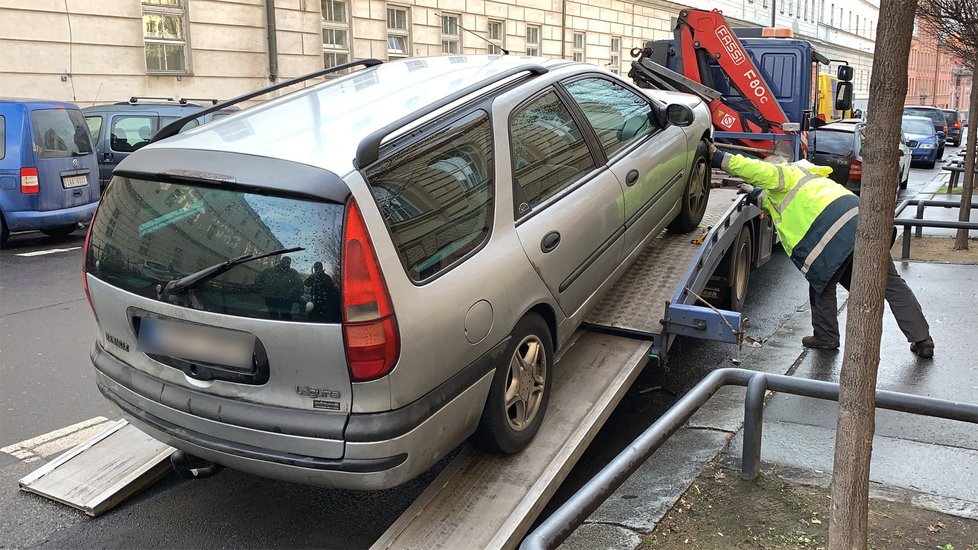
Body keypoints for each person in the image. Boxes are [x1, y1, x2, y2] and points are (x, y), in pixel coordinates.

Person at [709, 143, 935, 358]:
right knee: (893, 286)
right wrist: (754, 194)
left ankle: (826, 337)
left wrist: (719, 157)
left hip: (832, 233)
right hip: (865, 224)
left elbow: (757, 170)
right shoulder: (812, 177)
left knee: (822, 283)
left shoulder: (784, 174)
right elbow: (770, 200)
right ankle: (923, 340)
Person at [254, 256, 304, 320]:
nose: (287, 263)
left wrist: (290, 293)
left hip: (285, 300)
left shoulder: (293, 273)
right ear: (280, 262)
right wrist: (263, 291)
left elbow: (299, 285)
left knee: (285, 316)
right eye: (285, 261)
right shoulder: (269, 271)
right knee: (274, 316)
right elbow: (258, 280)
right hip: (271, 299)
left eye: (289, 262)